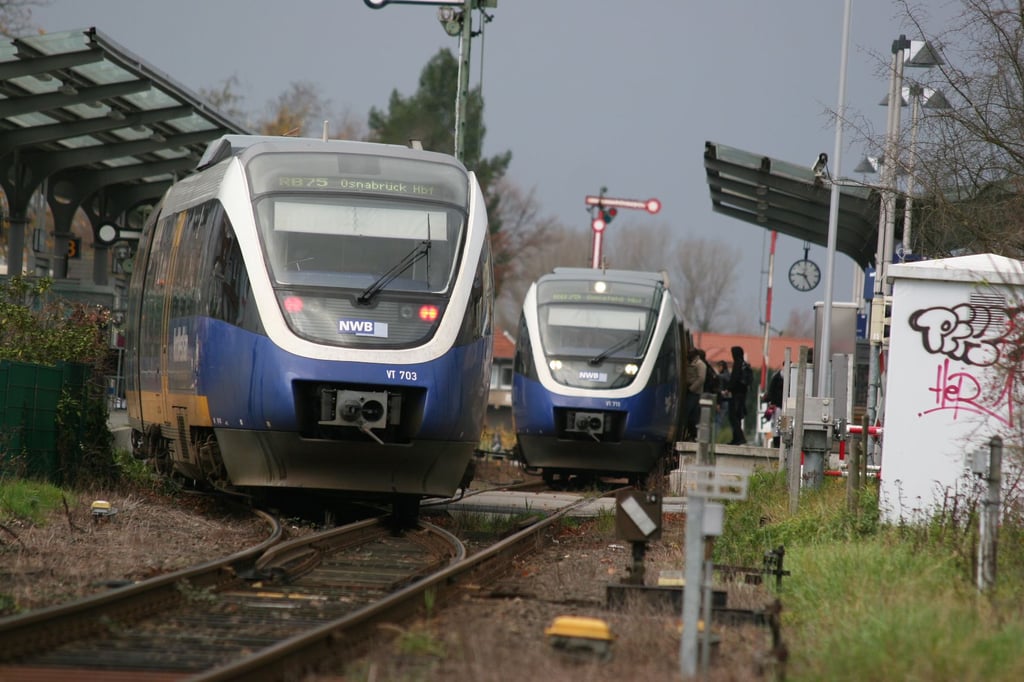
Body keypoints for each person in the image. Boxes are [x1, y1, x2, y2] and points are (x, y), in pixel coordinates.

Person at [726, 345, 752, 445]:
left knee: (733, 417)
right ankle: (736, 438)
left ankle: (740, 437)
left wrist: (728, 388)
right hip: (743, 395)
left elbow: (734, 378)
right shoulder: (745, 364)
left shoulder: (737, 364)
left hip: (736, 395)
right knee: (738, 417)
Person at [684, 348, 706, 440]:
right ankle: (690, 434)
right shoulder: (692, 363)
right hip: (690, 391)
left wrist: (691, 389)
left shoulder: (700, 364)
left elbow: (701, 379)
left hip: (694, 393)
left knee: (691, 415)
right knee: (689, 415)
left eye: (690, 353)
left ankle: (693, 435)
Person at [716, 360, 731, 427]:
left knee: (718, 420)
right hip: (729, 400)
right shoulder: (729, 375)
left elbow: (720, 391)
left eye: (718, 367)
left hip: (722, 401)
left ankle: (717, 433)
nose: (717, 369)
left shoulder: (720, 377)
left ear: (721, 367)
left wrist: (718, 403)